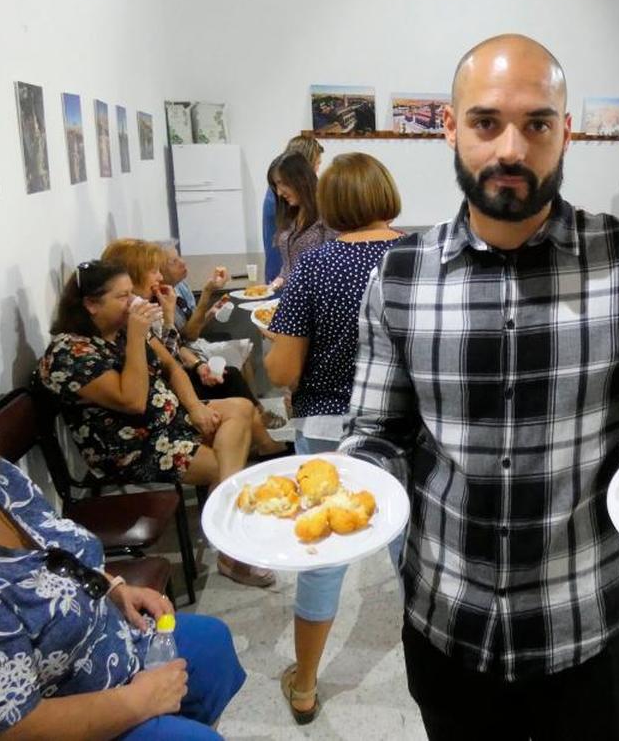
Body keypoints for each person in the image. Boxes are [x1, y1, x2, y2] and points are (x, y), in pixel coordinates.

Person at [337, 34, 619, 739]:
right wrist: (340, 494)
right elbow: (377, 435)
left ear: (566, 132)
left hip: (588, 618)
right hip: (449, 618)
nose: (511, 149)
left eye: (537, 124)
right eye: (486, 122)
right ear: (450, 128)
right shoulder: (399, 276)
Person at [0, 350, 245, 739]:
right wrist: (141, 702)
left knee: (211, 644)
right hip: (53, 716)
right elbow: (6, 729)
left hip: (101, 643)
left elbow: (50, 552)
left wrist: (108, 585)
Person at [262, 152, 405, 724]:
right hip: (408, 428)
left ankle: (304, 685)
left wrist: (280, 338)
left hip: (328, 427)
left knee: (321, 556)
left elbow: (282, 372)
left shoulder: (316, 266)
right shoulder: (421, 257)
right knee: (416, 551)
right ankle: (445, 665)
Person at [38, 259, 274, 587]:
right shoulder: (69, 353)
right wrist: (136, 337)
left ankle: (227, 503)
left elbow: (173, 367)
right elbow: (132, 400)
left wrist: (194, 408)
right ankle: (231, 550)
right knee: (228, 464)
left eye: (130, 294)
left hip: (169, 421)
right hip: (131, 446)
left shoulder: (120, 330)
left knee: (240, 408)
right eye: (122, 297)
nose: (134, 303)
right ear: (91, 305)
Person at [104, 239, 283, 457]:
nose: (160, 275)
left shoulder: (159, 299)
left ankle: (261, 441)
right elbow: (171, 355)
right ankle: (261, 444)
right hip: (160, 401)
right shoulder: (136, 316)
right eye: (155, 269)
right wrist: (174, 315)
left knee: (232, 377)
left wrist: (198, 364)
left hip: (174, 378)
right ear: (134, 275)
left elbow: (173, 352)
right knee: (233, 380)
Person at [159, 243, 288, 434]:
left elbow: (192, 327)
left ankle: (255, 415)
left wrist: (211, 311)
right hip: (187, 352)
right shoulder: (160, 300)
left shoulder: (181, 288)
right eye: (174, 261)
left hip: (189, 348)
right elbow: (187, 335)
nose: (183, 263)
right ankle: (257, 417)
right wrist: (207, 294)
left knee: (244, 349)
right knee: (234, 369)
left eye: (180, 257)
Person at [262, 136, 324, 284]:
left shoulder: (324, 209)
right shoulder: (288, 205)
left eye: (281, 183)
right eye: (317, 164)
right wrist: (279, 280)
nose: (279, 192)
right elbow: (287, 258)